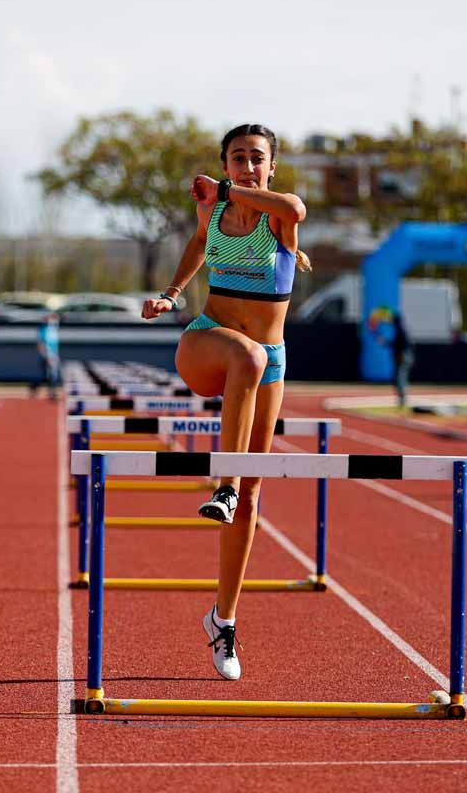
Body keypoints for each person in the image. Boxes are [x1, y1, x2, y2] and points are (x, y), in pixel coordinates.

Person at [142, 123, 307, 681]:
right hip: (206, 342)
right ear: (225, 162)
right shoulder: (212, 213)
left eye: (255, 158)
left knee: (254, 496)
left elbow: (293, 205)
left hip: (269, 361)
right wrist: (170, 294)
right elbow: (196, 245)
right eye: (236, 158)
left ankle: (223, 619)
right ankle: (225, 486)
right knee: (248, 360)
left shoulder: (281, 215)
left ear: (270, 165)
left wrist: (225, 189)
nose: (245, 165)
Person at [31, 312, 61, 400]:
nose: (55, 321)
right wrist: (46, 355)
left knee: (50, 375)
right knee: (49, 375)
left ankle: (48, 391)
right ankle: (51, 393)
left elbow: (55, 345)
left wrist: (56, 355)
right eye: (52, 319)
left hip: (54, 355)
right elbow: (41, 344)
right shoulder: (44, 330)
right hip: (48, 355)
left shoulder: (54, 329)